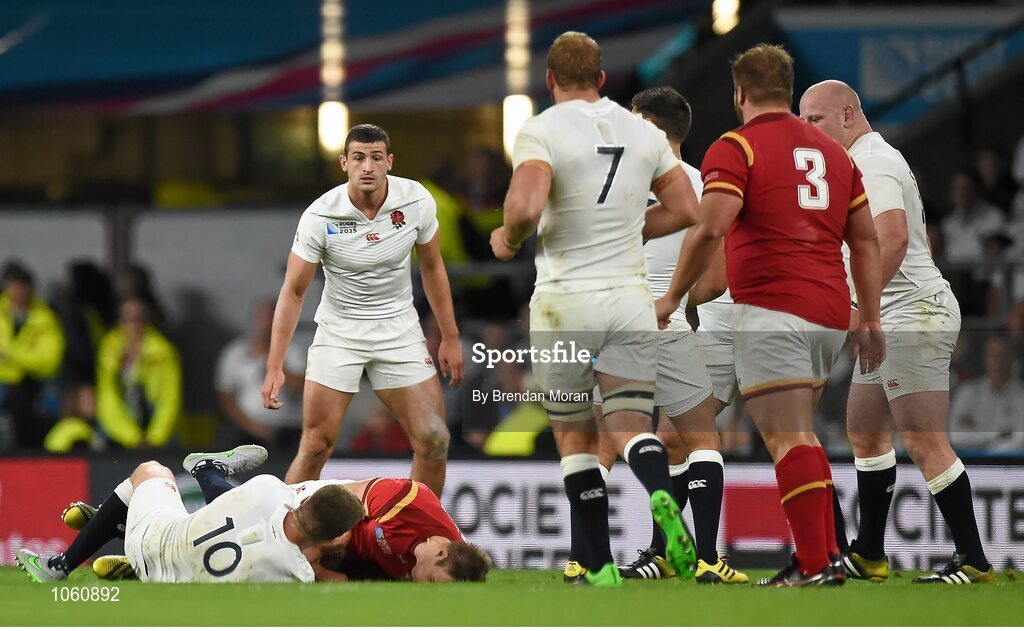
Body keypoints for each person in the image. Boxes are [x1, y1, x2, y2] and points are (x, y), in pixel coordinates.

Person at [654, 44, 886, 587]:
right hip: (830, 312)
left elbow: (711, 226)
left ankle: (814, 565)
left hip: (773, 307)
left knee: (787, 439)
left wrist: (672, 298)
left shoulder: (736, 147)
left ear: (739, 93)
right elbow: (867, 239)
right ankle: (824, 556)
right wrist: (869, 314)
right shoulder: (834, 154)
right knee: (801, 434)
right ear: (787, 89)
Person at [490, 31, 702, 586]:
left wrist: (509, 238)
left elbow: (527, 204)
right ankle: (661, 495)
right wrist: (631, 232)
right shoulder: (641, 130)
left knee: (577, 437)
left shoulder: (542, 128)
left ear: (551, 80)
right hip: (631, 301)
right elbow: (686, 209)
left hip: (566, 302)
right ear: (603, 79)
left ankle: (601, 570)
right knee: (631, 423)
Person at [800, 79, 997, 585]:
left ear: (847, 115)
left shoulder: (873, 161)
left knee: (922, 437)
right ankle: (869, 553)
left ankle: (974, 559)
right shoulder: (856, 162)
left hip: (913, 314)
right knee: (865, 432)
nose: (806, 132)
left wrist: (857, 309)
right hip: (891, 315)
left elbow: (892, 237)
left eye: (814, 120)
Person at [590, 87, 744, 585]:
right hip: (671, 324)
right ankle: (706, 558)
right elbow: (719, 280)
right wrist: (674, 302)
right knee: (701, 440)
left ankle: (587, 556)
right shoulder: (708, 189)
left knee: (612, 438)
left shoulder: (613, 187)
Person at [262, 124, 464, 494]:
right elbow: (292, 292)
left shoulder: (416, 200)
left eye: (375, 157)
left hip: (399, 330)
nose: (367, 166)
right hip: (340, 333)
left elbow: (433, 268)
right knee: (315, 446)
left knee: (434, 439)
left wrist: (450, 337)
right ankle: (283, 538)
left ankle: (419, 538)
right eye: (358, 158)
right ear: (344, 163)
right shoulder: (319, 215)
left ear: (389, 162)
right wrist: (275, 365)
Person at [47, 448, 490, 584]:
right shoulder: (411, 503)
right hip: (323, 511)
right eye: (430, 576)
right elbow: (345, 502)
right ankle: (206, 470)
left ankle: (113, 527)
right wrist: (324, 550)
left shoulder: (264, 492)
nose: (419, 580)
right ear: (441, 548)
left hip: (295, 525)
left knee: (224, 514)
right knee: (235, 519)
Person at [16, 446, 365, 583]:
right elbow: (326, 570)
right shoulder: (296, 573)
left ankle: (65, 561)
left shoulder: (270, 490)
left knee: (150, 471)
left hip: (152, 539)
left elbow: (225, 506)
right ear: (331, 538)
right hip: (166, 580)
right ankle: (114, 525)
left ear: (304, 502)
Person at [94, 298, 182, 449]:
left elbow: (169, 399)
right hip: (119, 425)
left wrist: (155, 438)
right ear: (120, 322)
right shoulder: (109, 350)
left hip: (153, 421)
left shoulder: (163, 352)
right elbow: (108, 397)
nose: (133, 325)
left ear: (147, 321)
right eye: (128, 320)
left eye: (138, 319)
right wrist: (133, 438)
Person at [215, 298, 303, 447]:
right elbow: (226, 398)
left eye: (272, 317)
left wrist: (273, 361)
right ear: (255, 319)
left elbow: (300, 387)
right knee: (226, 440)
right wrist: (251, 425)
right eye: (263, 317)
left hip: (287, 425)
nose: (267, 323)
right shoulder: (235, 352)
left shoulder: (293, 352)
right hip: (246, 425)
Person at [0, 261, 66, 448]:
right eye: (13, 286)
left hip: (32, 384)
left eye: (22, 287)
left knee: (32, 406)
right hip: (3, 383)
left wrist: (11, 355)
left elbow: (49, 361)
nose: (18, 292)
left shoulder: (44, 317)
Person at [949, 336, 1024, 453]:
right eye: (993, 354)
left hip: (1009, 465)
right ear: (985, 358)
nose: (998, 360)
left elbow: (1019, 441)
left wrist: (979, 439)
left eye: (1003, 355)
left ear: (1012, 359)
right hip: (971, 464)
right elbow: (956, 437)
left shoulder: (1021, 394)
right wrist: (998, 435)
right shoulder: (967, 391)